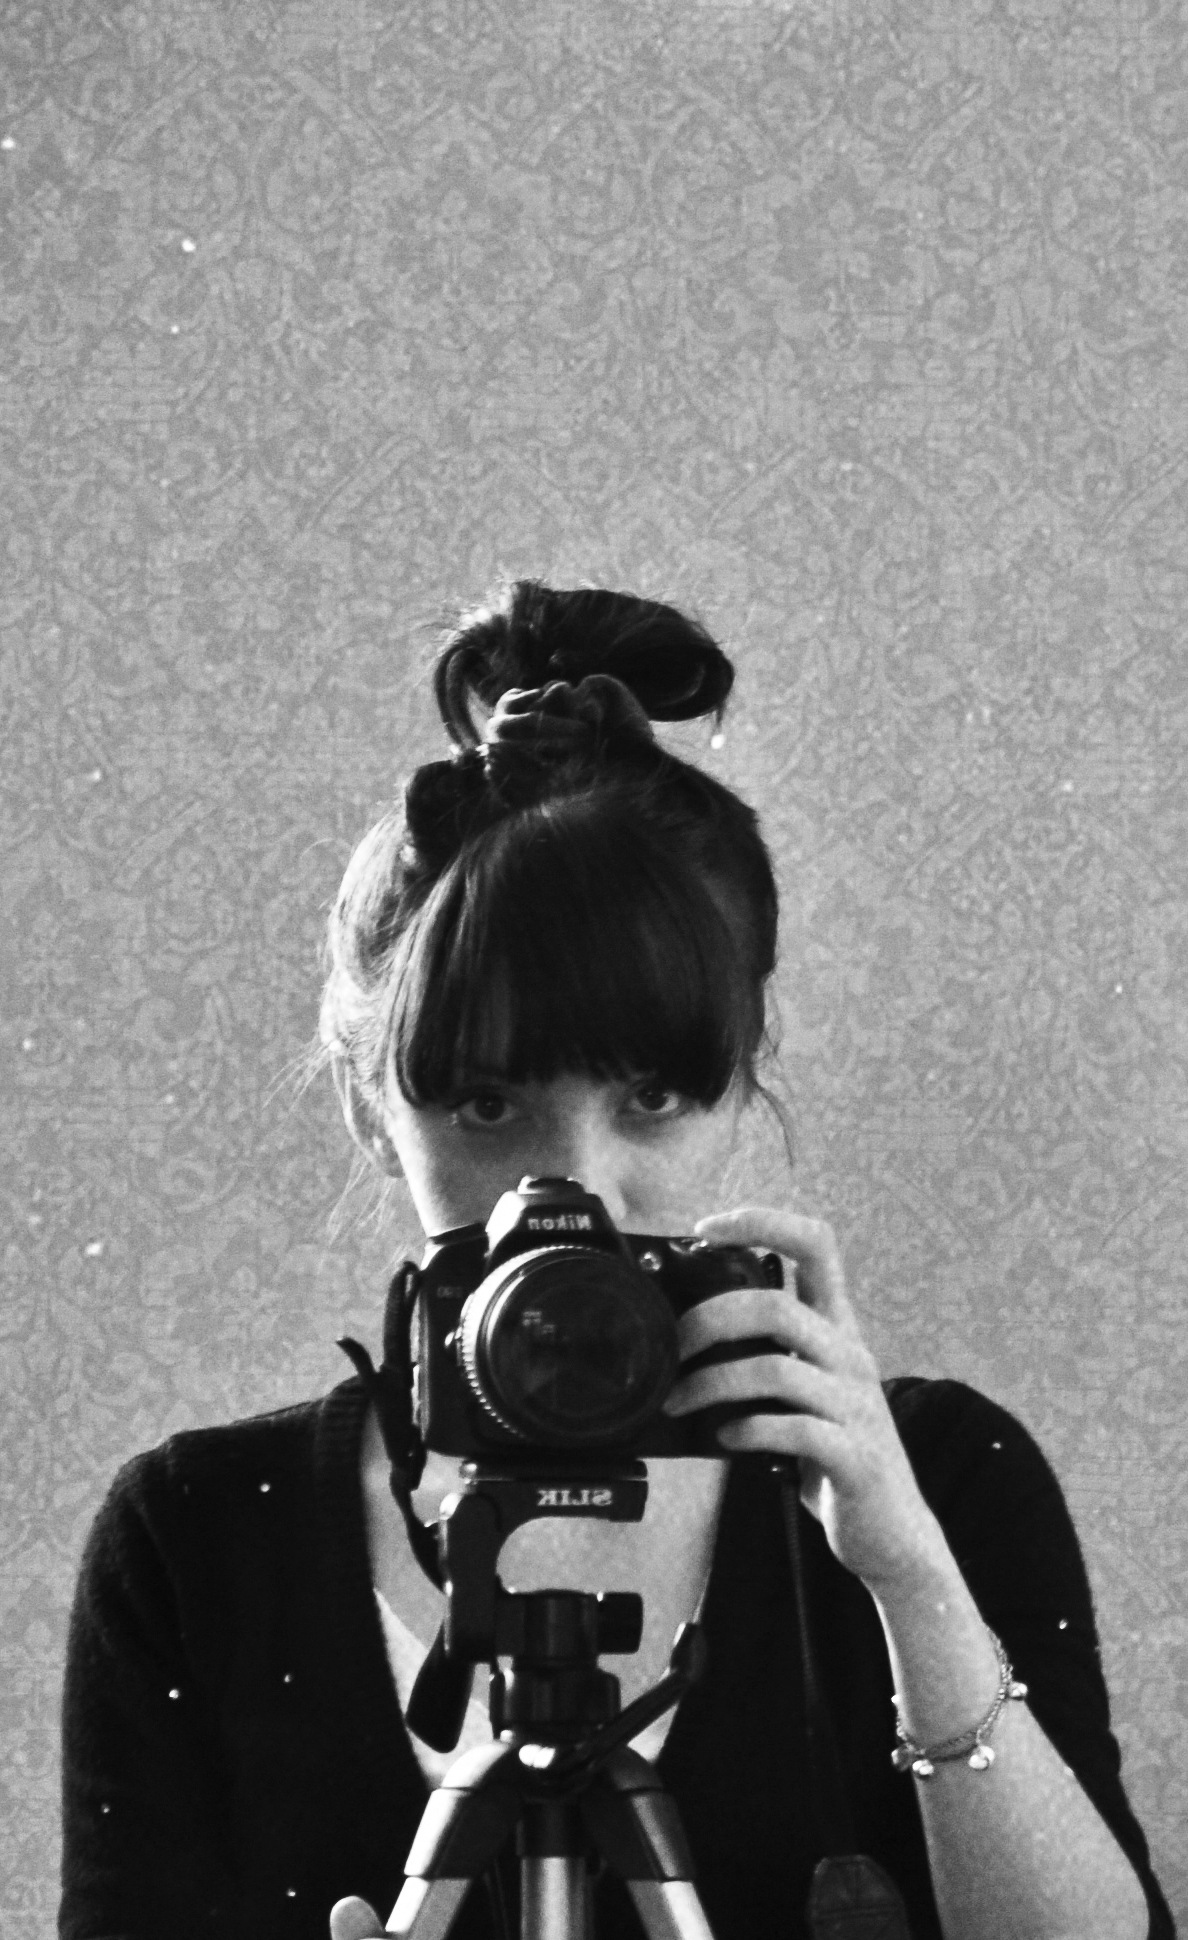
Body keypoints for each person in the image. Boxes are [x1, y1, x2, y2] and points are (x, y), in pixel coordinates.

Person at [61, 581, 1174, 1940]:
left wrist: (909, 1575)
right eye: (488, 1107)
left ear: (737, 1085)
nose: (577, 1183)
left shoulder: (933, 1474)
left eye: (651, 1099)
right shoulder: (197, 1538)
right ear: (369, 1106)